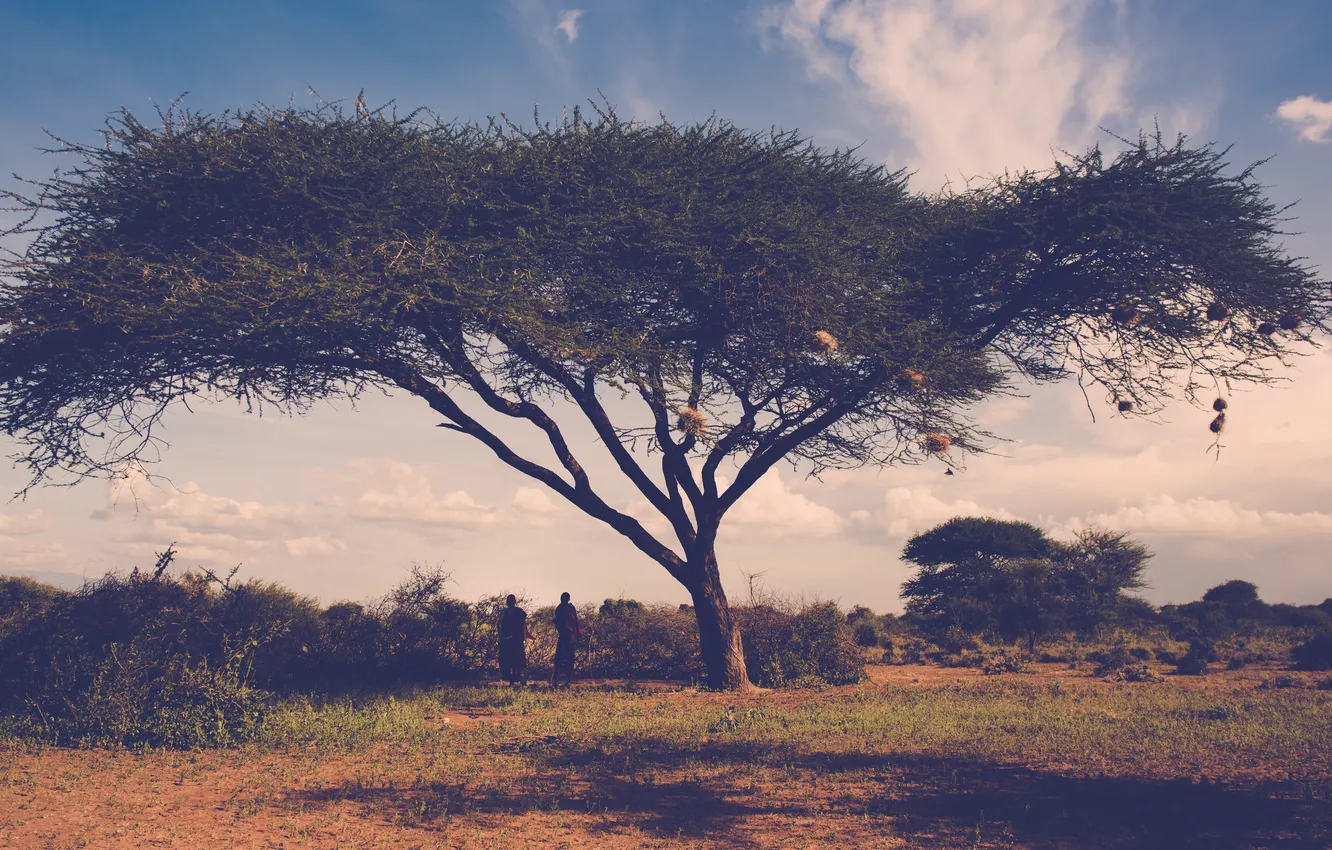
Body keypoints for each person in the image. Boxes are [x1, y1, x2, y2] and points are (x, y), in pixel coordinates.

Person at [498, 594, 531, 685]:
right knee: (507, 661)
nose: (510, 602)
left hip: (517, 640)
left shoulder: (520, 612)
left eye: (511, 600)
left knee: (518, 661)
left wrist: (525, 635)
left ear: (514, 602)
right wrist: (500, 638)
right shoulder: (504, 612)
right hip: (506, 640)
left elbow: (523, 625)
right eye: (508, 601)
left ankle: (520, 680)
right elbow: (501, 626)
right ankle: (511, 681)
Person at [551, 591, 581, 688]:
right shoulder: (568, 608)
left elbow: (561, 623)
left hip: (566, 637)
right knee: (567, 660)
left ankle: (559, 681)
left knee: (561, 660)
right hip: (569, 637)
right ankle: (564, 681)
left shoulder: (562, 608)